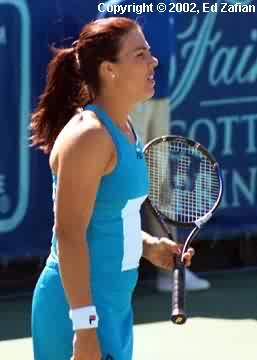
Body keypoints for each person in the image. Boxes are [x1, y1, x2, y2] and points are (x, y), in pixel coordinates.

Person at [30, 17, 195, 360]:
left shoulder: (125, 128)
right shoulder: (89, 137)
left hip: (112, 307)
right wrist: (85, 329)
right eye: (140, 54)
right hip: (76, 311)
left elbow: (108, 216)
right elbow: (70, 234)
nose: (154, 61)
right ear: (109, 70)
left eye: (149, 52)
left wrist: (148, 246)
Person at [98, 2, 210, 292]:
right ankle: (117, 269)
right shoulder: (116, 6)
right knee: (122, 184)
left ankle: (169, 273)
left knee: (159, 183)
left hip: (159, 95)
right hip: (129, 99)